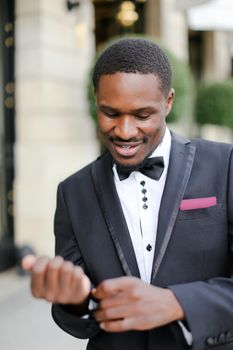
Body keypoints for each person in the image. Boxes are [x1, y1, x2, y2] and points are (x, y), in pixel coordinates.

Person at [22, 38, 233, 350]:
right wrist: (78, 301)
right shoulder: (72, 192)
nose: (124, 131)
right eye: (110, 113)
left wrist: (176, 303)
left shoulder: (225, 165)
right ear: (96, 102)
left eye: (142, 115)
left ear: (169, 101)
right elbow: (73, 321)